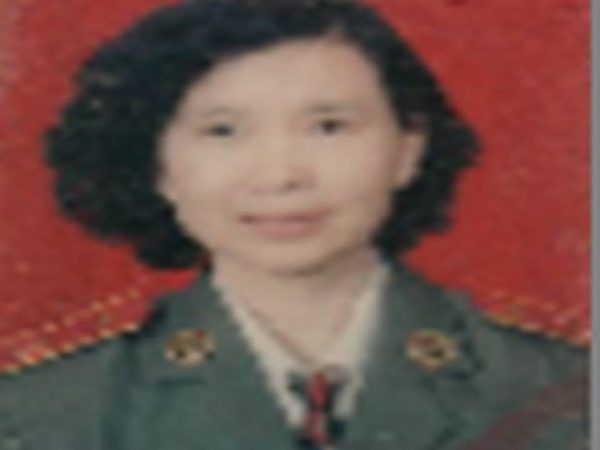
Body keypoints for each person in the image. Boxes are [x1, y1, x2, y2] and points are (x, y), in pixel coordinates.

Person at [0, 1, 588, 449]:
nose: (280, 176)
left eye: (329, 126)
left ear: (408, 149)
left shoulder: (560, 389)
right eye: (222, 131)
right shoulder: (43, 411)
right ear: (156, 165)